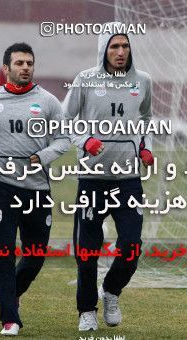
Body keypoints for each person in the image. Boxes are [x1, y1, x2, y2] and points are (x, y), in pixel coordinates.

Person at [0, 42, 70, 336]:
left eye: (29, 63)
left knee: (36, 254)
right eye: (19, 63)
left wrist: (44, 156)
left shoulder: (49, 102)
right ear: (6, 68)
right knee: (2, 253)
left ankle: (12, 295)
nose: (25, 68)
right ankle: (9, 319)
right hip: (1, 188)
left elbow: (63, 140)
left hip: (37, 190)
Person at [63, 22, 154, 331]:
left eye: (125, 46)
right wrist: (84, 140)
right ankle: (86, 310)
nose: (120, 52)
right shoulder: (85, 80)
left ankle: (111, 291)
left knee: (131, 247)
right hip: (92, 178)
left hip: (127, 178)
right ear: (103, 49)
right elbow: (65, 120)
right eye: (114, 46)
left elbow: (146, 119)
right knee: (87, 250)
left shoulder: (142, 81)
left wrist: (146, 147)